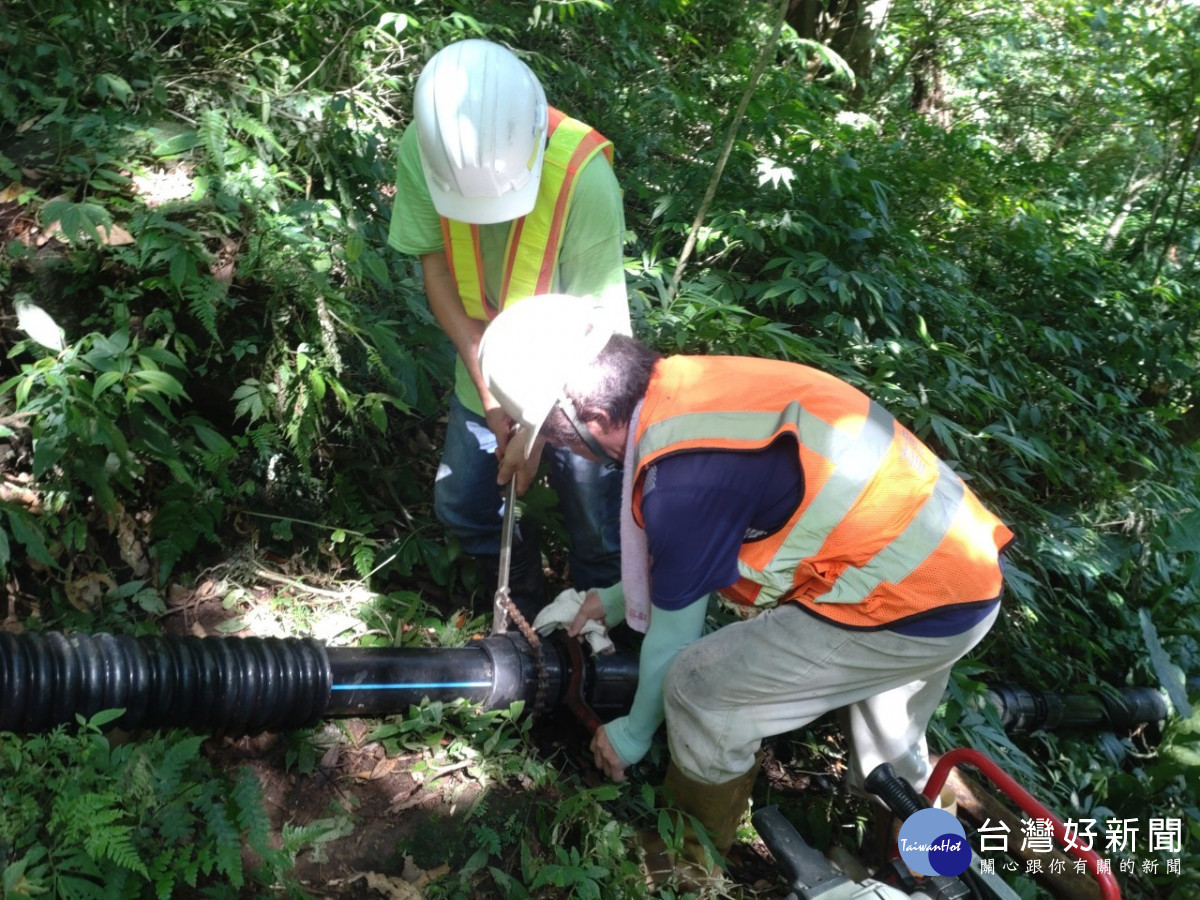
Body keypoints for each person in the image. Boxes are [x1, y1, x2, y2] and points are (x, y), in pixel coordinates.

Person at [479, 294, 1014, 879]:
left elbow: (674, 639)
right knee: (889, 761)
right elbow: (714, 532)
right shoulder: (683, 390)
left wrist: (631, 734)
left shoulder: (681, 480)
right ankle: (940, 868)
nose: (574, 454)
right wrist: (609, 599)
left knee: (703, 688)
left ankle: (690, 861)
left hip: (900, 601)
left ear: (595, 417)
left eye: (563, 442)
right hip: (952, 571)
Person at [388, 39, 627, 616]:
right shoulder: (427, 149)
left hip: (579, 385)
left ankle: (605, 632)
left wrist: (538, 430)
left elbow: (598, 332)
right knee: (462, 504)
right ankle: (520, 601)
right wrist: (494, 395)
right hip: (486, 366)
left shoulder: (583, 180)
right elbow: (436, 267)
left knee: (598, 526)